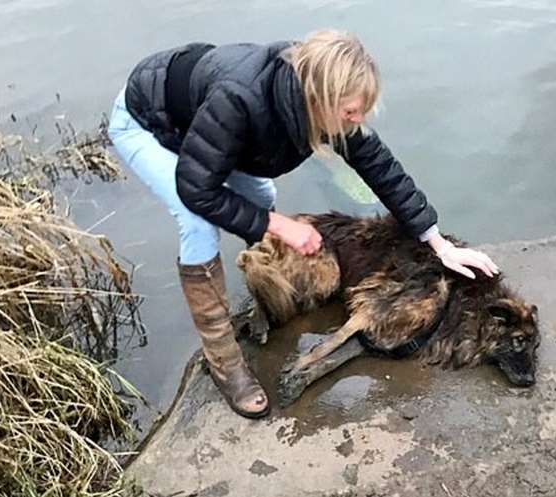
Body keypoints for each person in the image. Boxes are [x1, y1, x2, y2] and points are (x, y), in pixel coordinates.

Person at [107, 29, 500, 419]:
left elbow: (383, 170)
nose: (357, 120)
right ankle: (224, 362)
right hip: (149, 123)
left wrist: (438, 243)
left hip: (206, 128)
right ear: (319, 98)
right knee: (197, 222)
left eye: (361, 111)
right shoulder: (239, 99)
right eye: (350, 112)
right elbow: (196, 189)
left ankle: (264, 284)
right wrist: (278, 225)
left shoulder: (326, 107)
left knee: (261, 198)